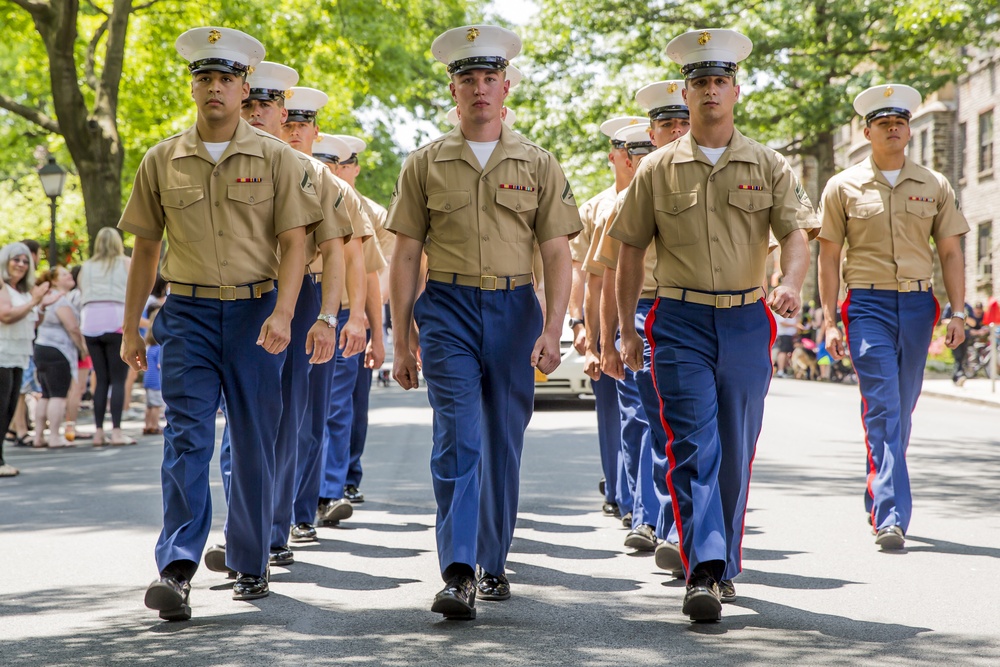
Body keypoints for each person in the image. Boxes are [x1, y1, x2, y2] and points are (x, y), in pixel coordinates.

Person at [611, 29, 819, 622]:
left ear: (735, 90)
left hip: (746, 321)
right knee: (693, 444)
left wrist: (789, 284)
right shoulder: (655, 168)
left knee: (735, 450)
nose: (710, 91)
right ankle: (702, 570)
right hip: (677, 320)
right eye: (699, 82)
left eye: (719, 81)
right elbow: (629, 250)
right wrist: (627, 330)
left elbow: (796, 235)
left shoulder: (769, 163)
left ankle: (722, 561)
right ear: (686, 90)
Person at [118, 26, 322, 621]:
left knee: (255, 437)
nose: (214, 88)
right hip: (187, 313)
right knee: (187, 436)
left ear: (243, 89)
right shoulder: (161, 159)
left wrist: (285, 312)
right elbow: (145, 252)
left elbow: (293, 242)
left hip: (257, 312)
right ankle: (177, 566)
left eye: (226, 80)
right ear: (193, 86)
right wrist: (133, 327)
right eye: (204, 78)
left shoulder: (278, 157)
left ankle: (251, 559)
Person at [387, 24, 582, 620]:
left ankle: (493, 561)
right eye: (467, 79)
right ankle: (458, 569)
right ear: (453, 90)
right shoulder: (423, 164)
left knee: (502, 439)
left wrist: (553, 329)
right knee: (459, 435)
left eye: (489, 79)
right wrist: (401, 339)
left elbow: (556, 253)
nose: (479, 89)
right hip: (445, 310)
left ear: (505, 89)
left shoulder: (539, 164)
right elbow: (404, 257)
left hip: (514, 310)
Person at [818, 83, 968, 551]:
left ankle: (879, 489)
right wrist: (827, 319)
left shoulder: (935, 185)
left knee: (901, 408)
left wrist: (959, 311)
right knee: (883, 405)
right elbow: (828, 255)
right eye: (883, 123)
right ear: (867, 131)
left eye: (900, 122)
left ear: (908, 129)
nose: (893, 129)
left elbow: (950, 250)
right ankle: (892, 514)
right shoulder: (841, 186)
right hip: (866, 305)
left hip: (919, 306)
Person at [594, 84, 692, 561]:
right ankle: (648, 516)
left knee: (678, 425)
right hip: (644, 309)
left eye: (683, 123)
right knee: (645, 418)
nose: (677, 132)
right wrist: (605, 339)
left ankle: (668, 523)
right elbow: (605, 274)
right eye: (667, 125)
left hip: (702, 310)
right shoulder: (630, 197)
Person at [575, 116, 645, 519]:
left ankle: (637, 499)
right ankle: (619, 488)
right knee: (614, 412)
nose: (637, 159)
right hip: (606, 321)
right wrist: (581, 327)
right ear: (616, 156)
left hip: (647, 311)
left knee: (640, 413)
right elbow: (584, 276)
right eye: (631, 152)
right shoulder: (597, 208)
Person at [330, 133, 391, 504]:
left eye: (345, 163)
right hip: (332, 311)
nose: (338, 168)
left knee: (353, 401)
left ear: (354, 168)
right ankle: (325, 487)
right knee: (332, 403)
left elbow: (378, 270)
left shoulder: (373, 213)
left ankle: (346, 475)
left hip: (363, 311)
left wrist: (369, 315)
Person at [0, 242, 52, 476]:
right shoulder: (2, 286)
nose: (20, 264)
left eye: (25, 261)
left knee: (10, 407)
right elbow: (6, 316)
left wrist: (39, 306)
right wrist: (34, 301)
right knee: (2, 407)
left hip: (19, 353)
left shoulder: (24, 290)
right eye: (16, 259)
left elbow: (31, 322)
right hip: (3, 351)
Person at [79, 227, 133, 446]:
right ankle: (117, 431)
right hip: (115, 319)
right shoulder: (125, 263)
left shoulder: (87, 266)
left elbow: (82, 290)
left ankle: (98, 432)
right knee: (118, 379)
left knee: (101, 378)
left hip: (90, 320)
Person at [32, 266, 89, 448]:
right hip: (58, 349)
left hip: (41, 347)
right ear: (54, 280)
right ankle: (55, 436)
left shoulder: (47, 297)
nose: (69, 276)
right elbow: (72, 327)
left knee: (46, 394)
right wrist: (83, 348)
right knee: (58, 394)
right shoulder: (59, 300)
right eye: (64, 275)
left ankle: (39, 436)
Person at [142, 306, 163, 435]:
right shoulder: (159, 348)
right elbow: (160, 365)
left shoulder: (149, 347)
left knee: (149, 405)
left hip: (148, 379)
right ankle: (154, 425)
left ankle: (147, 424)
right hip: (156, 381)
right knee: (156, 405)